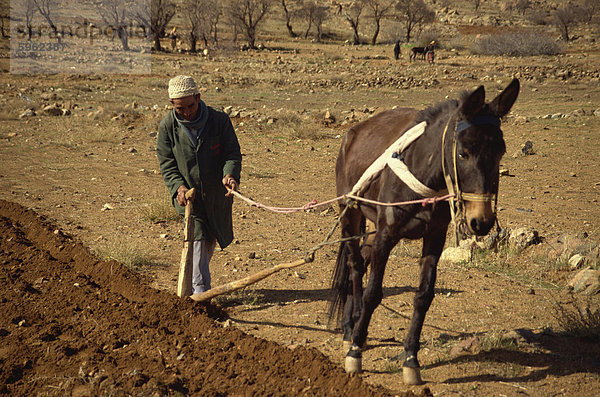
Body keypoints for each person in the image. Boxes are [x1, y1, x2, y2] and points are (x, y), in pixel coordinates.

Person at [157, 75, 242, 294]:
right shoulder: (167, 126)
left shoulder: (219, 121)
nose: (186, 112)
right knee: (197, 239)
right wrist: (178, 187)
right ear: (171, 105)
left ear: (198, 97)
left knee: (207, 242)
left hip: (216, 196)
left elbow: (231, 154)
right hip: (190, 199)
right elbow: (167, 163)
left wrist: (229, 175)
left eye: (190, 105)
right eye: (180, 109)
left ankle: (193, 287)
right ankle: (200, 292)